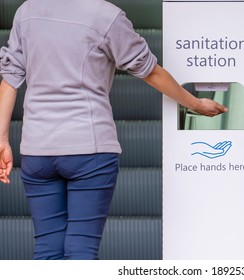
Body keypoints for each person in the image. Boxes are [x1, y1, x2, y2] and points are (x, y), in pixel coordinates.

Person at [0, 0, 227, 260]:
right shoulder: (105, 15)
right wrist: (196, 103)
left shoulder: (27, 11)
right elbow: (150, 72)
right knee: (81, 251)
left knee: (47, 250)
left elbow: (10, 80)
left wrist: (2, 140)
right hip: (90, 149)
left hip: (37, 150)